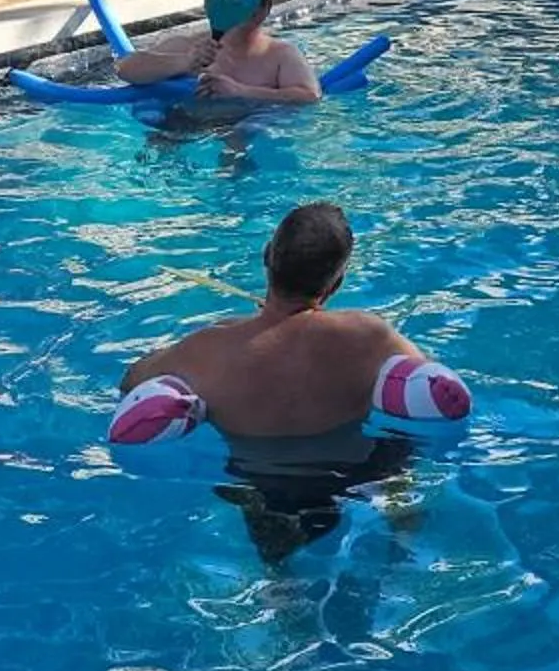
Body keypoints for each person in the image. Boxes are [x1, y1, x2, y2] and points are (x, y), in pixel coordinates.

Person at [116, 202, 439, 559]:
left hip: (264, 483)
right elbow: (427, 380)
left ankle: (281, 588)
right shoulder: (369, 336)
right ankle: (403, 537)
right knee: (398, 461)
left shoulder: (207, 349)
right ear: (337, 283)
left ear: (266, 257)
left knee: (278, 563)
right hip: (362, 467)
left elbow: (131, 380)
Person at [113, 0, 321, 106]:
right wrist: (184, 62)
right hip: (182, 128)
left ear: (265, 8)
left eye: (248, 1)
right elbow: (125, 69)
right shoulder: (189, 46)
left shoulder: (280, 55)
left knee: (241, 141)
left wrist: (243, 91)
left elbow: (310, 96)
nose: (240, 8)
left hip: (246, 133)